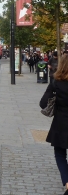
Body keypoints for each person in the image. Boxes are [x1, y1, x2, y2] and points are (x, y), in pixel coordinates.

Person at [40, 54, 68, 194]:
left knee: (60, 154)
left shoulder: (56, 82)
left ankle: (67, 182)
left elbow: (43, 103)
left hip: (61, 123)